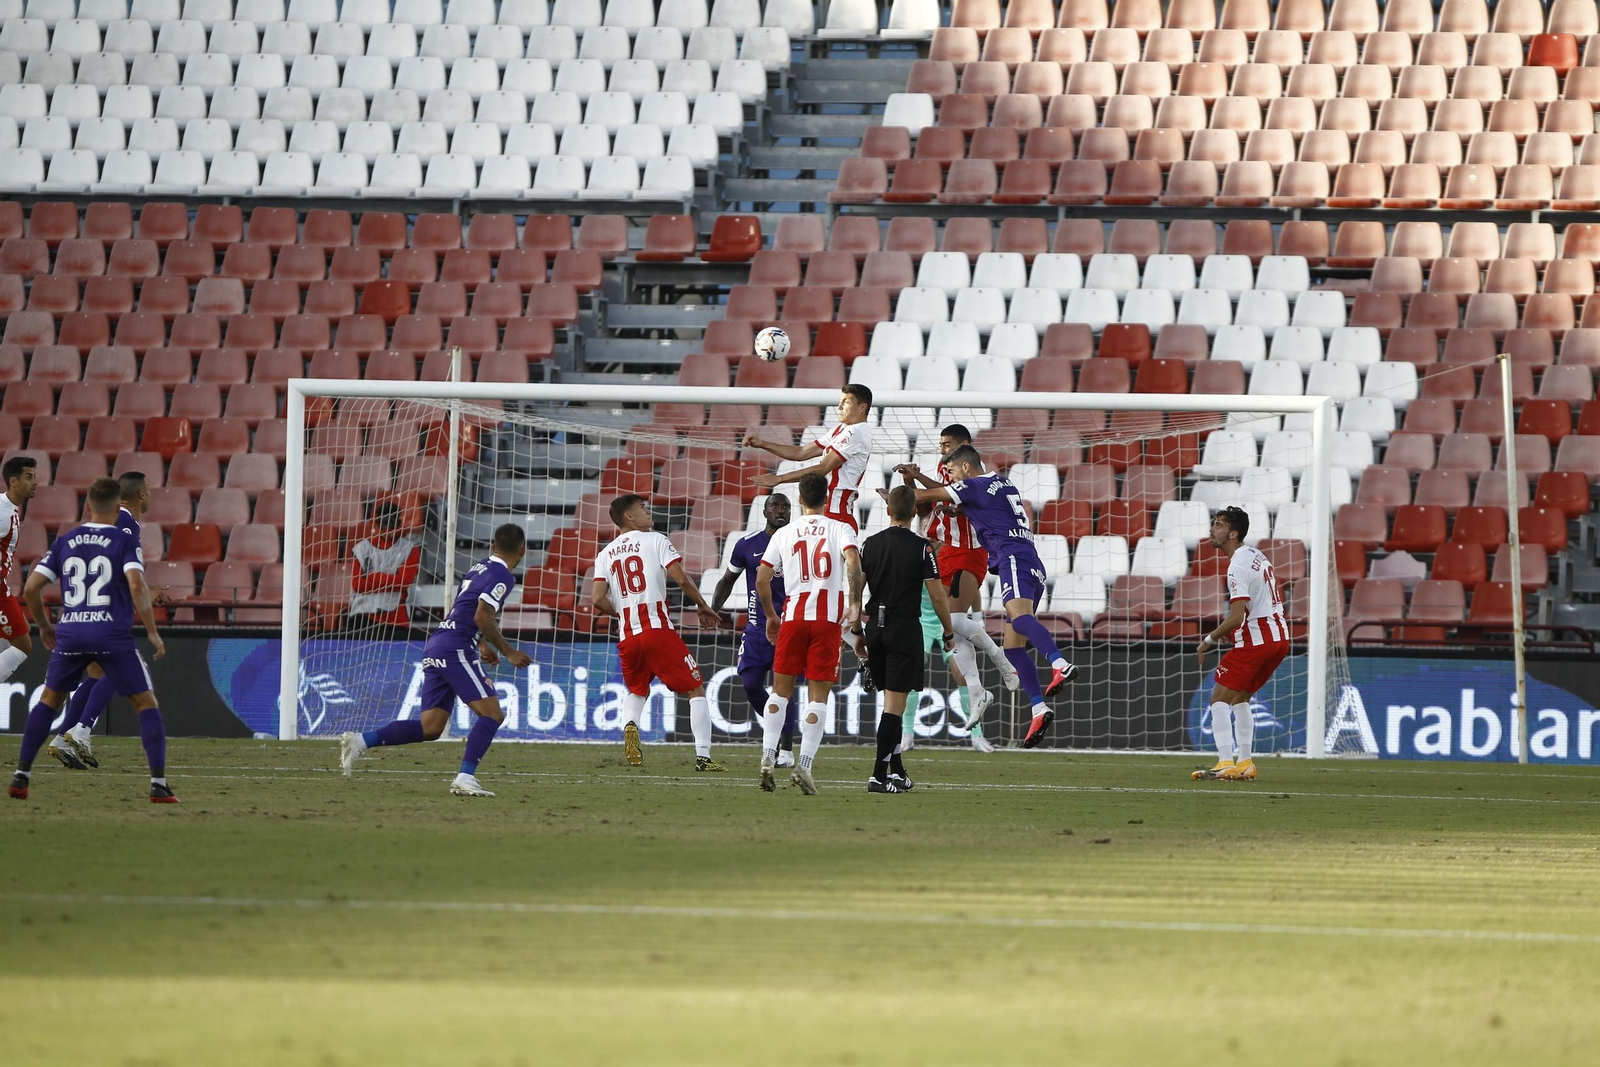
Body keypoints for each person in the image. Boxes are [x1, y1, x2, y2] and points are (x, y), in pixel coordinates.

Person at [10, 478, 173, 803]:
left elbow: (30, 588)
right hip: (110, 626)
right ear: (120, 503)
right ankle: (155, 780)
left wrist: (43, 626)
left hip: (70, 628)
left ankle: (24, 773)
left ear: (87, 506)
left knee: (53, 698)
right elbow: (133, 582)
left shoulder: (66, 539)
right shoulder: (125, 528)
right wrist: (152, 626)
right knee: (144, 700)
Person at [340, 523, 532, 797]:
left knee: (430, 727)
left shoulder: (478, 567)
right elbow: (480, 615)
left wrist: (482, 642)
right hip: (455, 648)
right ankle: (465, 777)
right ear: (523, 550)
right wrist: (508, 651)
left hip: (438, 642)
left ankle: (360, 741)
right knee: (492, 714)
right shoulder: (504, 575)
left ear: (493, 546)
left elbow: (463, 610)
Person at [912, 445, 1078, 748]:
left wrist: (901, 494)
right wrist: (958, 510)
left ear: (965, 467)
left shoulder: (974, 483)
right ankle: (1039, 708)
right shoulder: (1002, 482)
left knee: (1018, 618)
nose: (948, 477)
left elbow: (925, 497)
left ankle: (1060, 664)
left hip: (1012, 557)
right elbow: (981, 509)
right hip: (1030, 560)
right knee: (1014, 647)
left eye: (950, 471)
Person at [892, 423, 1019, 754]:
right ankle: (908, 734)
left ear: (964, 447)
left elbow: (951, 501)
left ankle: (980, 721)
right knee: (917, 666)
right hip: (938, 571)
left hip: (966, 553)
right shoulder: (925, 542)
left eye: (947, 445)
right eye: (940, 445)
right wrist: (910, 487)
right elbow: (925, 507)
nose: (942, 450)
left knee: (958, 654)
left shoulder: (975, 479)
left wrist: (909, 489)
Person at [591, 494, 725, 772]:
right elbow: (681, 578)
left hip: (628, 636)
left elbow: (596, 599)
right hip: (657, 630)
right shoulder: (656, 539)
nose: (648, 512)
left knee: (637, 690)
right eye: (642, 508)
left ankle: (630, 725)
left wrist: (622, 612)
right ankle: (703, 757)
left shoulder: (605, 553)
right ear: (629, 517)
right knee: (695, 688)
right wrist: (702, 606)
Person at [755, 473, 862, 795]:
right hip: (827, 622)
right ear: (826, 499)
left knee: (779, 692)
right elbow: (854, 562)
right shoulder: (841, 528)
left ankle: (767, 757)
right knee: (818, 697)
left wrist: (772, 617)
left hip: (793, 618)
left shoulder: (784, 534)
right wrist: (855, 603)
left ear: (800, 499)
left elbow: (762, 579)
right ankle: (805, 765)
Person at [48, 471, 159, 770]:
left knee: (98, 674)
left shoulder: (118, 521)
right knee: (118, 669)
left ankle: (62, 739)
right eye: (148, 489)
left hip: (82, 607)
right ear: (141, 494)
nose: (150, 494)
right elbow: (116, 570)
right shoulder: (125, 524)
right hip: (101, 610)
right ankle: (81, 731)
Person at [854, 485, 954, 794]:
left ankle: (897, 771)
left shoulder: (869, 544)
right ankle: (877, 776)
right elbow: (937, 596)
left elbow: (856, 589)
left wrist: (857, 630)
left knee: (890, 703)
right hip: (904, 627)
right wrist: (948, 632)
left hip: (875, 628)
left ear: (887, 511)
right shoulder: (922, 548)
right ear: (914, 512)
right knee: (894, 707)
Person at [1192, 507, 1289, 782]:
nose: (1213, 529)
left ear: (1233, 534)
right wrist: (1235, 631)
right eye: (1214, 523)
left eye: (1219, 525)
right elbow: (1254, 606)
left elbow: (1236, 616)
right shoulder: (1256, 554)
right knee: (1240, 698)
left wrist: (1208, 640)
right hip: (1279, 639)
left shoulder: (1236, 565)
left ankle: (1224, 761)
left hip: (1257, 641)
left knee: (1218, 699)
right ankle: (1245, 762)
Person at [710, 494, 800, 767]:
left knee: (782, 689)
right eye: (775, 506)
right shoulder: (747, 545)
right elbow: (727, 580)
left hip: (790, 626)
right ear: (765, 512)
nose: (781, 510)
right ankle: (779, 726)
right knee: (750, 684)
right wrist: (714, 609)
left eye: (786, 507)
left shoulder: (799, 544)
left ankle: (785, 749)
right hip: (757, 628)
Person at [742, 385, 874, 530]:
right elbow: (801, 452)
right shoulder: (841, 429)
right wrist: (762, 444)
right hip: (827, 512)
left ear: (862, 407)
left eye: (846, 402)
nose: (839, 407)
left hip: (838, 515)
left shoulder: (856, 433)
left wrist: (779, 479)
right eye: (840, 401)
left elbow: (823, 468)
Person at [347, 500, 421, 634]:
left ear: (398, 524)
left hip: (396, 617)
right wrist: (390, 580)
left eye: (391, 525)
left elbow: (404, 582)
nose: (387, 529)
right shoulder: (362, 548)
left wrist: (373, 576)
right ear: (376, 523)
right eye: (384, 524)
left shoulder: (410, 549)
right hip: (363, 614)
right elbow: (358, 585)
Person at [0, 455, 39, 687]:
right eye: (29, 477)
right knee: (23, 644)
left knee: (21, 628)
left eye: (35, 476)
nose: (35, 482)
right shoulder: (3, 515)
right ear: (13, 481)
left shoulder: (8, 508)